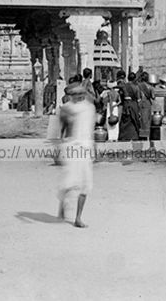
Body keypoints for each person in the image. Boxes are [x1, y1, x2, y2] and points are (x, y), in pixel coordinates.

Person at [57, 82, 95, 228]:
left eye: (81, 94)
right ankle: (62, 204)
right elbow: (63, 131)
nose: (79, 97)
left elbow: (90, 129)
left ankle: (78, 218)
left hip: (86, 147)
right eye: (76, 94)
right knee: (70, 182)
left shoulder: (90, 108)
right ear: (70, 95)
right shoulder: (66, 109)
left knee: (86, 184)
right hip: (72, 147)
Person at [116, 70, 141, 142]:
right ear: (134, 79)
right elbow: (139, 99)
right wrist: (138, 111)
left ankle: (124, 137)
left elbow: (120, 93)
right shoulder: (137, 87)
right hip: (134, 105)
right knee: (134, 121)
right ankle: (134, 136)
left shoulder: (124, 86)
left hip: (126, 104)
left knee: (125, 121)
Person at [136, 71, 154, 141]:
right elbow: (153, 96)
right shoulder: (150, 87)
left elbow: (138, 96)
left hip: (140, 104)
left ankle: (141, 136)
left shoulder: (138, 86)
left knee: (141, 120)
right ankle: (147, 137)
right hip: (147, 104)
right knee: (147, 121)